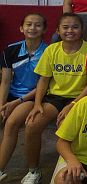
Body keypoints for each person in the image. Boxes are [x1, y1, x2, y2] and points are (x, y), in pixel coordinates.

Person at [21, 13, 87, 184]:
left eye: (75, 27)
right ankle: (33, 171)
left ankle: (72, 168)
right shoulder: (52, 50)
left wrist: (73, 104)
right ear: (57, 30)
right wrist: (37, 104)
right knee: (31, 125)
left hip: (80, 97)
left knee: (66, 126)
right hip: (54, 97)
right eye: (65, 27)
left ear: (82, 30)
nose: (70, 31)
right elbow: (43, 80)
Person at [0, 13, 47, 181]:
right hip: (12, 95)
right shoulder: (10, 50)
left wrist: (15, 103)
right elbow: (5, 82)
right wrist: (2, 105)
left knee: (11, 124)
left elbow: (44, 85)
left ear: (44, 30)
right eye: (28, 24)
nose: (32, 28)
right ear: (21, 28)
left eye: (37, 25)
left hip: (32, 97)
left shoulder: (49, 52)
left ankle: (6, 169)